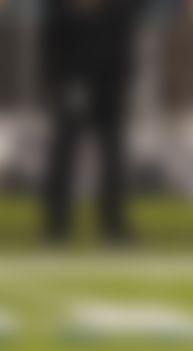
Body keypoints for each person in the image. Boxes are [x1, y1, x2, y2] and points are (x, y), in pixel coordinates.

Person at [40, 0, 149, 245]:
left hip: (111, 80)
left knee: (113, 154)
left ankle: (113, 223)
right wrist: (56, 81)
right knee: (64, 151)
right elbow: (54, 34)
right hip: (73, 75)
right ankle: (56, 224)